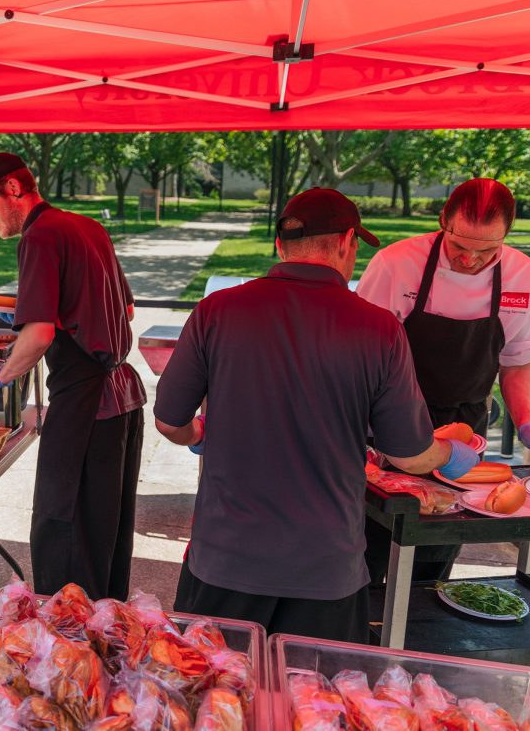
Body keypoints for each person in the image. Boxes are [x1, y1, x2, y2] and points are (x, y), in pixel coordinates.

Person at [153, 188, 478, 642]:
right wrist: (453, 453)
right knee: (312, 706)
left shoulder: (216, 311)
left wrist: (199, 433)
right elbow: (408, 455)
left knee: (215, 698)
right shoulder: (379, 327)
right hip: (326, 569)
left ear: (279, 246)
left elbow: (170, 422)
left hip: (226, 561)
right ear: (347, 242)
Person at [357, 178, 530, 583]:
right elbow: (357, 354)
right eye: (459, 247)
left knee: (435, 545)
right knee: (366, 544)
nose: (470, 260)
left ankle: (422, 624)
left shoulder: (527, 278)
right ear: (442, 222)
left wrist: (527, 423)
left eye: (487, 250)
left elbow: (517, 360)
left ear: (506, 235)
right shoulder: (395, 264)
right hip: (382, 424)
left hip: (463, 430)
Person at [0, 152, 146, 601]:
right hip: (123, 401)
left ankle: (66, 654)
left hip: (85, 407)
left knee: (63, 536)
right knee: (105, 537)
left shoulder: (38, 237)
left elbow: (40, 335)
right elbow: (125, 310)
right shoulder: (87, 227)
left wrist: (0, 373)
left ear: (15, 189)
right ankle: (104, 643)